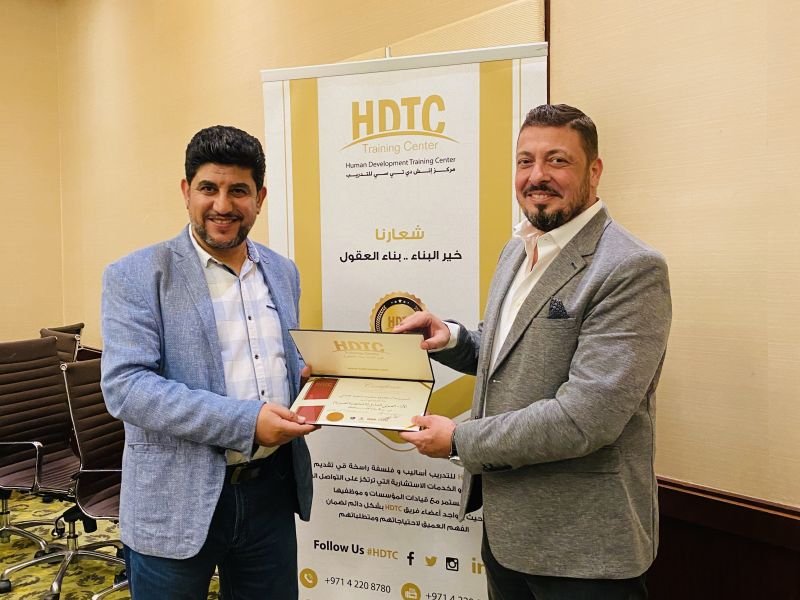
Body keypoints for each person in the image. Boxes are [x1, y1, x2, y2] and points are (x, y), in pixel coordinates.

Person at [396, 104, 671, 600]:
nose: (537, 175)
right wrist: (451, 338)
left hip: (584, 552)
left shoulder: (630, 268)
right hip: (508, 536)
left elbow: (585, 418)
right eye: (525, 161)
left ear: (594, 171)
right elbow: (510, 356)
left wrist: (459, 440)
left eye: (557, 160)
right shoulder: (519, 249)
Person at [101, 125, 316, 599]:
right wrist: (247, 422)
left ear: (259, 198)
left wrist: (314, 385)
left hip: (269, 492)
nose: (222, 205)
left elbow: (281, 362)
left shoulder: (282, 271)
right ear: (186, 192)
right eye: (208, 188)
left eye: (238, 190)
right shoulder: (136, 274)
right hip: (173, 500)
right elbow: (127, 388)